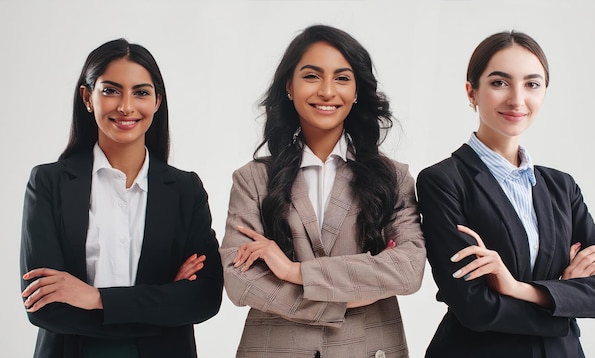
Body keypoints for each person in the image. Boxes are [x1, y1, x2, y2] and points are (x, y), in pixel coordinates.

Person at [219, 24, 426, 357]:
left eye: (342, 78)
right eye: (312, 76)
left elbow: (407, 269)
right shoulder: (253, 179)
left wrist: (294, 271)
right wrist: (341, 301)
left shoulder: (393, 178)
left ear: (357, 91)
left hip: (369, 349)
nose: (327, 91)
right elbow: (240, 279)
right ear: (289, 86)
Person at [416, 30, 595, 357]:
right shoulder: (443, 181)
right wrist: (565, 298)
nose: (517, 99)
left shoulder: (561, 187)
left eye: (531, 84)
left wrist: (519, 289)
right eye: (500, 83)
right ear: (472, 92)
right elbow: (475, 307)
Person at [20, 38, 223, 358]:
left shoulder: (186, 190)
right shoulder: (49, 183)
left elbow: (204, 298)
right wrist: (163, 302)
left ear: (157, 101)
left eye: (141, 92)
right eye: (111, 90)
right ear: (88, 98)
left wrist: (94, 297)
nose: (126, 106)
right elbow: (43, 308)